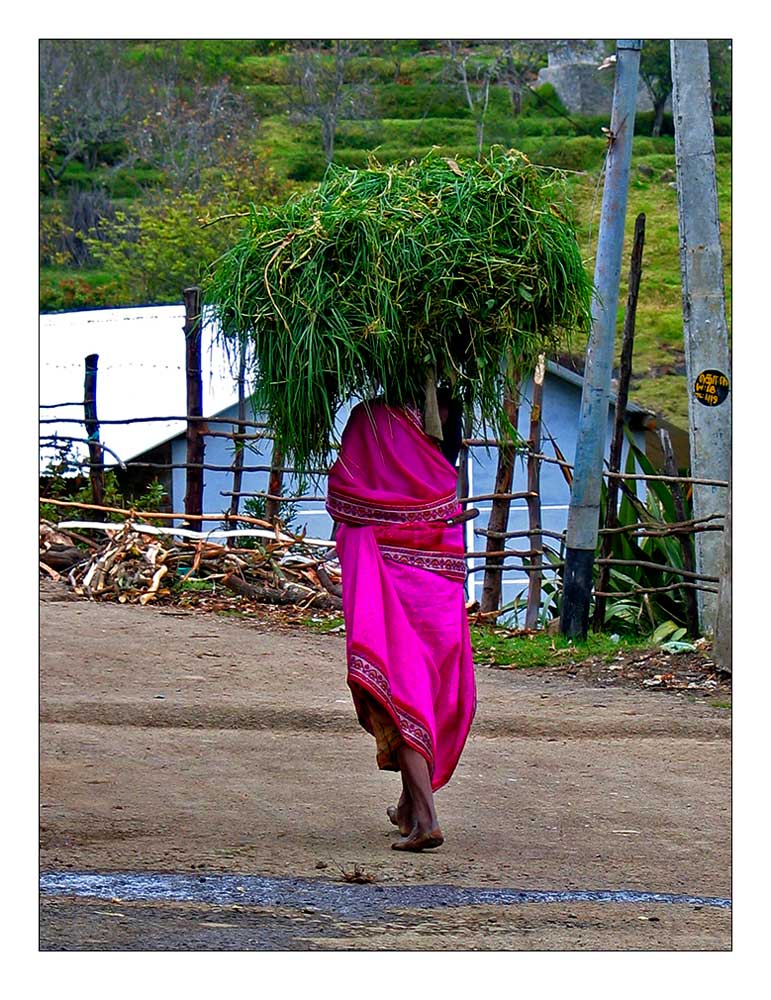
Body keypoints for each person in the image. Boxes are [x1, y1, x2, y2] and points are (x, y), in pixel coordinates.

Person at [326, 390, 476, 851]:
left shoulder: (370, 418)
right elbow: (442, 476)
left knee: (399, 689)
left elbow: (346, 495)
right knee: (427, 690)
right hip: (439, 574)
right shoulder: (451, 408)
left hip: (391, 573)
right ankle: (410, 805)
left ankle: (426, 819)